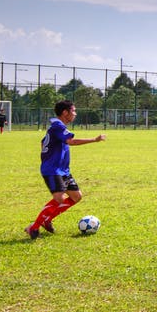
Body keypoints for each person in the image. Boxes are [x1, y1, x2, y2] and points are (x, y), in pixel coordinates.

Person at [25, 100, 106, 238]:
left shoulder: (57, 126)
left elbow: (43, 141)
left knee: (76, 196)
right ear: (65, 112)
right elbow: (71, 141)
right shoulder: (58, 126)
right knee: (59, 198)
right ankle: (33, 227)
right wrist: (94, 139)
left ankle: (47, 219)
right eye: (73, 111)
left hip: (62, 170)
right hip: (53, 170)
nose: (75, 113)